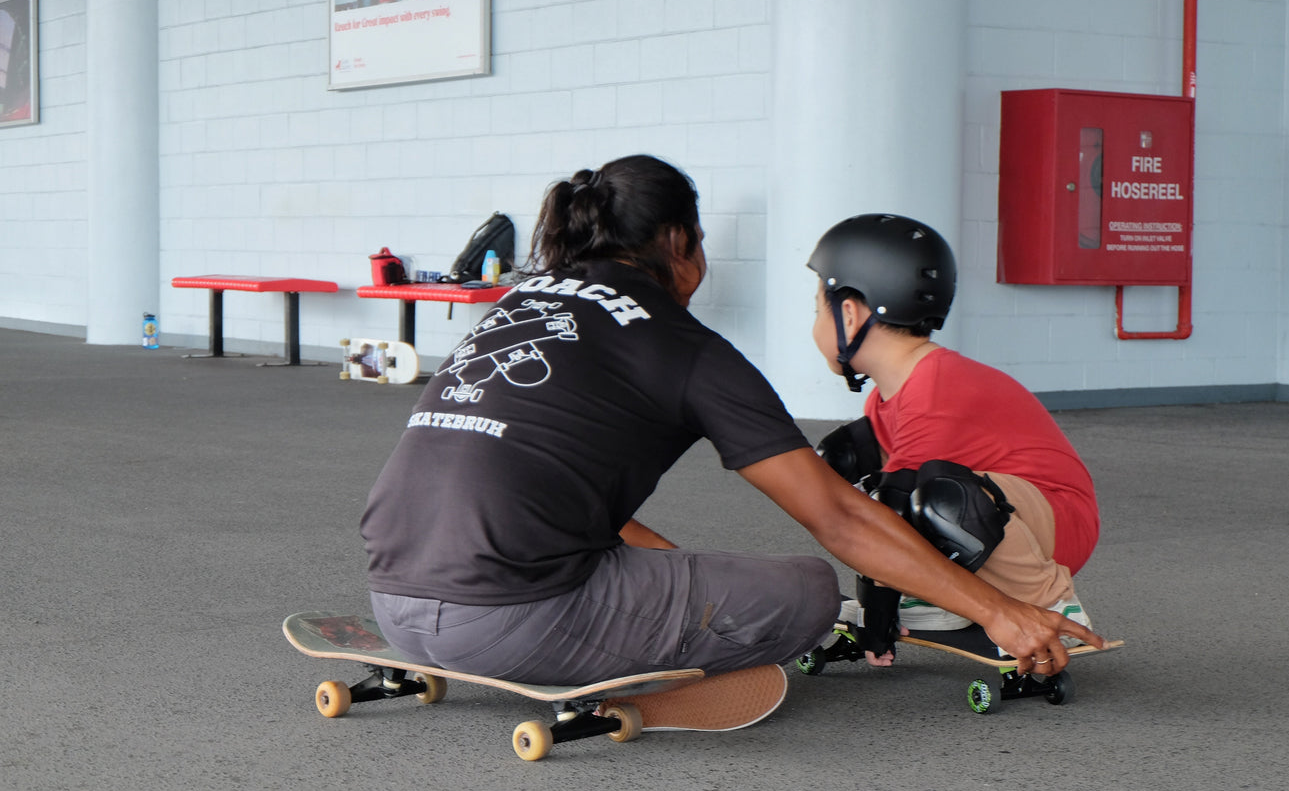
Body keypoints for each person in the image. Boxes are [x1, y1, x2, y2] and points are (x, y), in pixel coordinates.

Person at [361, 156, 1100, 690]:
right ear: (680, 243)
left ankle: (614, 620)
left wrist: (670, 581)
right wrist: (1000, 613)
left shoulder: (516, 309)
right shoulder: (682, 347)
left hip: (394, 601)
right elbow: (838, 519)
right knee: (808, 589)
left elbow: (530, 491)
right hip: (509, 623)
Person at [807, 212, 1101, 648]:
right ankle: (935, 598)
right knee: (849, 456)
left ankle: (1050, 605)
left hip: (1053, 523)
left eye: (816, 309)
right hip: (1004, 513)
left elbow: (892, 512)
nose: (815, 319)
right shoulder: (889, 394)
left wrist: (878, 613)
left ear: (849, 315)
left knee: (935, 498)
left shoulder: (938, 387)